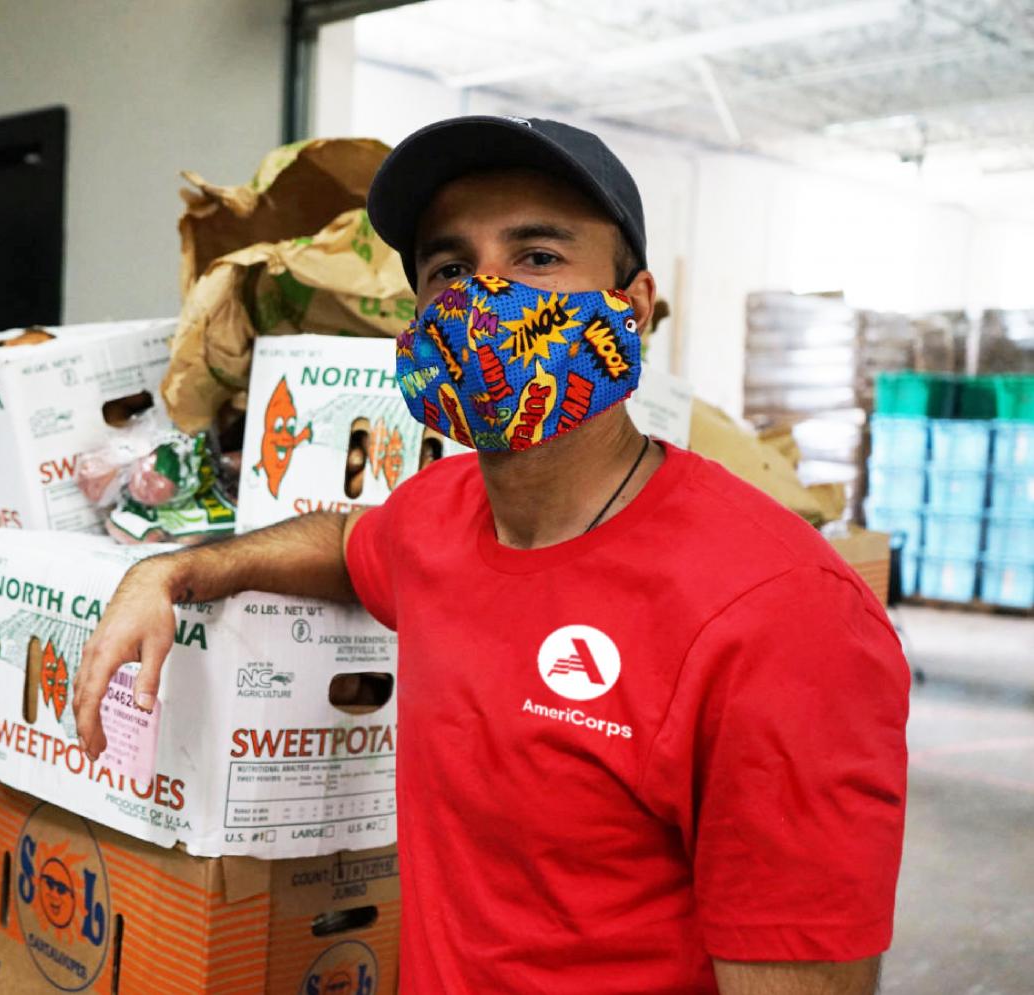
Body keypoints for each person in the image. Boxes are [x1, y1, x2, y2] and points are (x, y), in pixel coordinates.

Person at [73, 117, 910, 995]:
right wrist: (172, 570)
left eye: (538, 257)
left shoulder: (779, 616)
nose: (485, 298)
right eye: (449, 270)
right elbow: (347, 543)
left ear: (632, 305)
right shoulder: (443, 516)